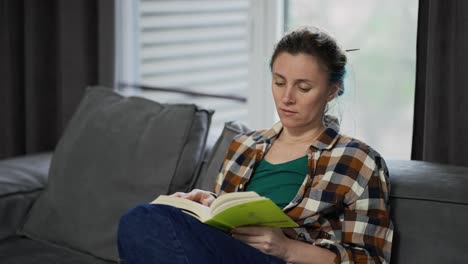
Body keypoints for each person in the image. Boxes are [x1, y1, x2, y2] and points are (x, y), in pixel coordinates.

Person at [117, 26, 393, 264]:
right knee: (146, 220)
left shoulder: (359, 160)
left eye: (303, 87)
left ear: (332, 90)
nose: (287, 97)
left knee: (144, 220)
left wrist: (286, 248)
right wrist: (207, 207)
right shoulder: (245, 146)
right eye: (279, 82)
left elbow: (370, 259)